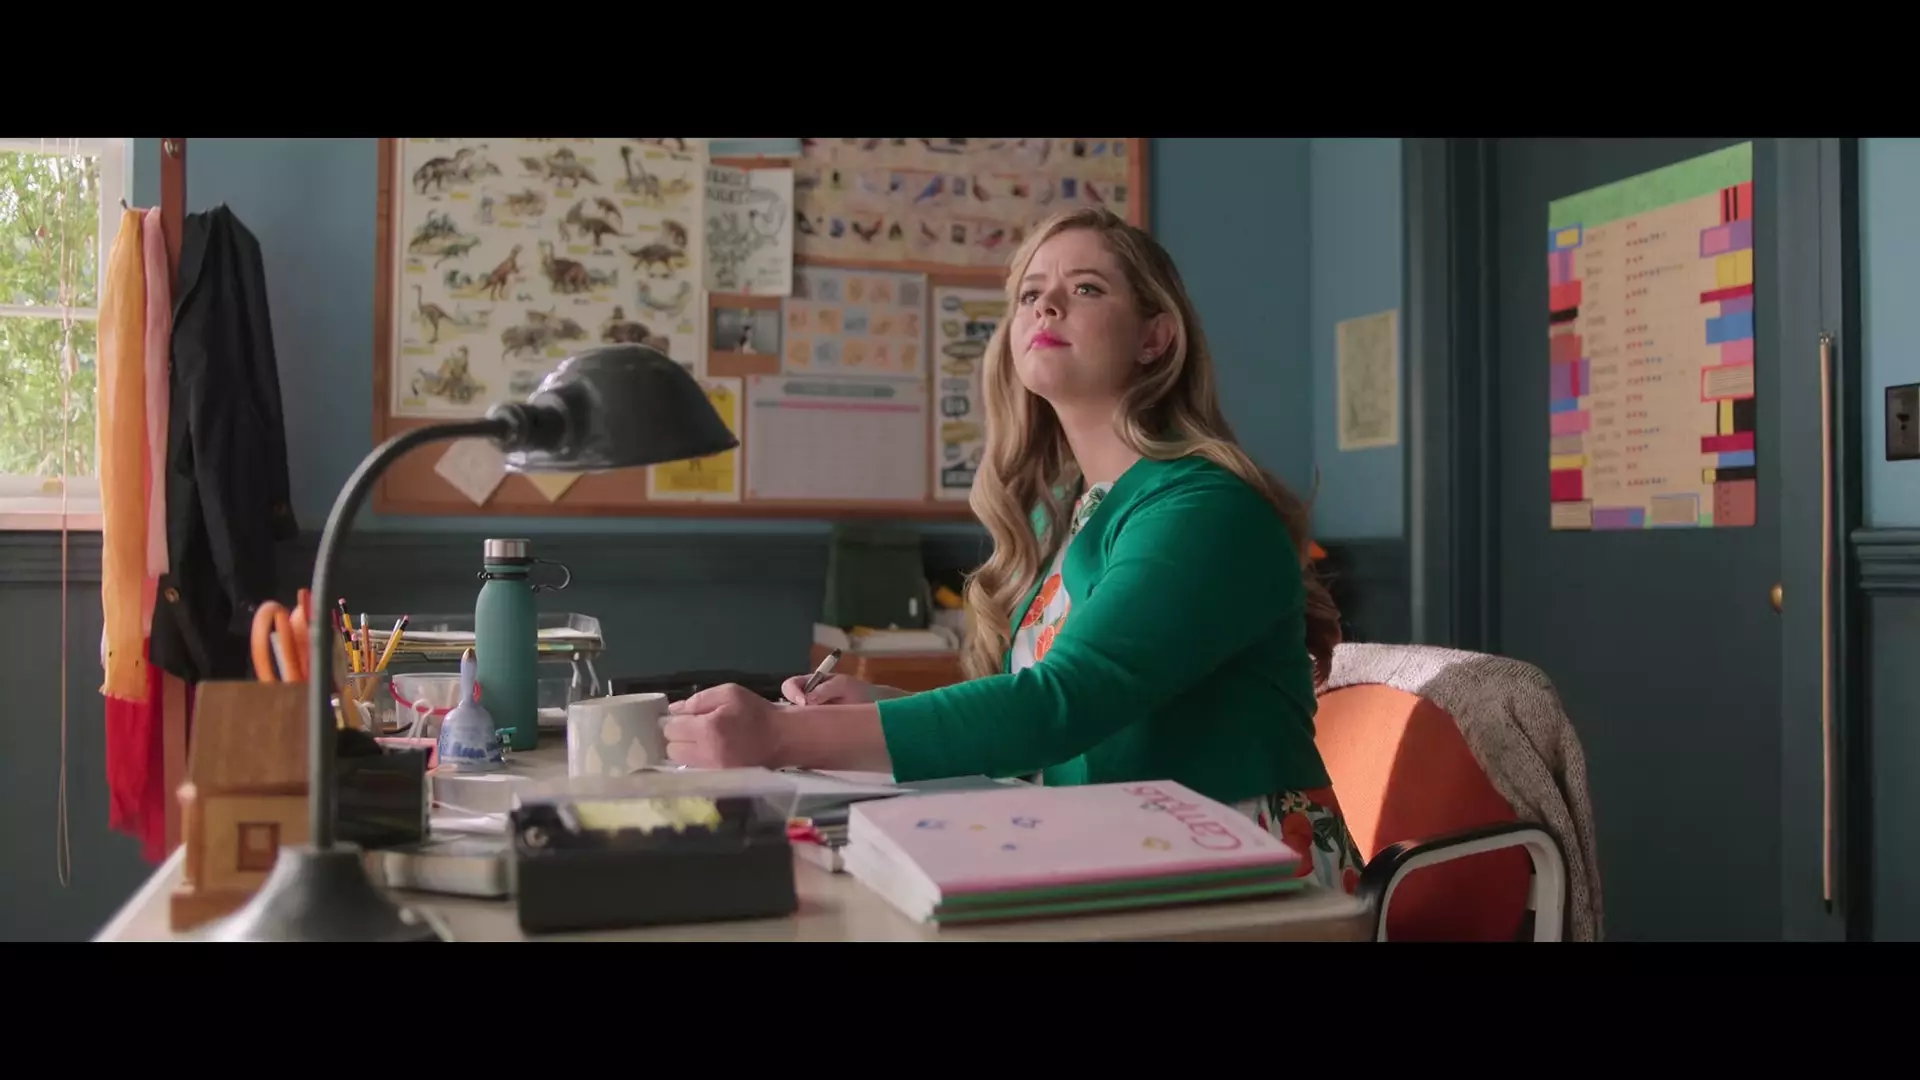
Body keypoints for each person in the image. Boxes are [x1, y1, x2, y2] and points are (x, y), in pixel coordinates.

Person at [664, 206, 1365, 894]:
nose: (1047, 306)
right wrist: (874, 709)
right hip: (1135, 855)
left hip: (1255, 875)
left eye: (1085, 288)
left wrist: (779, 736)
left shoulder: (1202, 506)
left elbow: (1057, 709)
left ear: (1154, 337)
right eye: (1031, 294)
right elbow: (1053, 726)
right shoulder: (1067, 509)